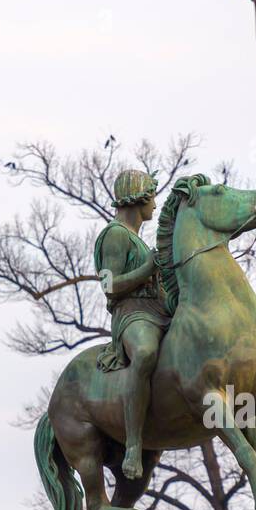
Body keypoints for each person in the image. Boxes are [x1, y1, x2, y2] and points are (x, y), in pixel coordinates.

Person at [93, 168, 170, 480]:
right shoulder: (116, 235)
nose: (154, 204)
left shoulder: (138, 240)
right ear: (138, 198)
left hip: (159, 311)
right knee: (146, 353)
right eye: (151, 196)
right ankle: (134, 445)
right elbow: (110, 285)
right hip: (133, 314)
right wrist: (149, 267)